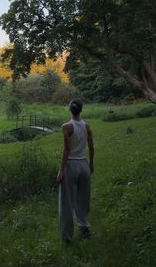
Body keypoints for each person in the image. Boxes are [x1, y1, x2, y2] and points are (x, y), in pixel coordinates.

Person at [57, 98, 94, 244]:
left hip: (71, 165)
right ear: (81, 109)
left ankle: (66, 238)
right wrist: (91, 164)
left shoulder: (66, 127)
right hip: (84, 164)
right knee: (83, 199)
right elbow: (91, 147)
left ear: (70, 109)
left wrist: (61, 170)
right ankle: (84, 228)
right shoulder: (87, 126)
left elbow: (67, 150)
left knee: (66, 202)